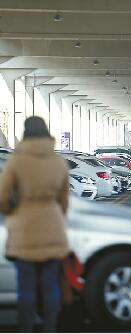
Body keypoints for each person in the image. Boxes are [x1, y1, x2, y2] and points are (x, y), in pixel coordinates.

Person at [0, 116, 70, 332]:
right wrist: (56, 216)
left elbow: (2, 195)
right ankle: (50, 329)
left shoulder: (17, 161)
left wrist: (11, 211)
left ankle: (26, 330)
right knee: (51, 286)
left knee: (26, 288)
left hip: (24, 227)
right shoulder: (58, 161)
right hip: (53, 224)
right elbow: (64, 200)